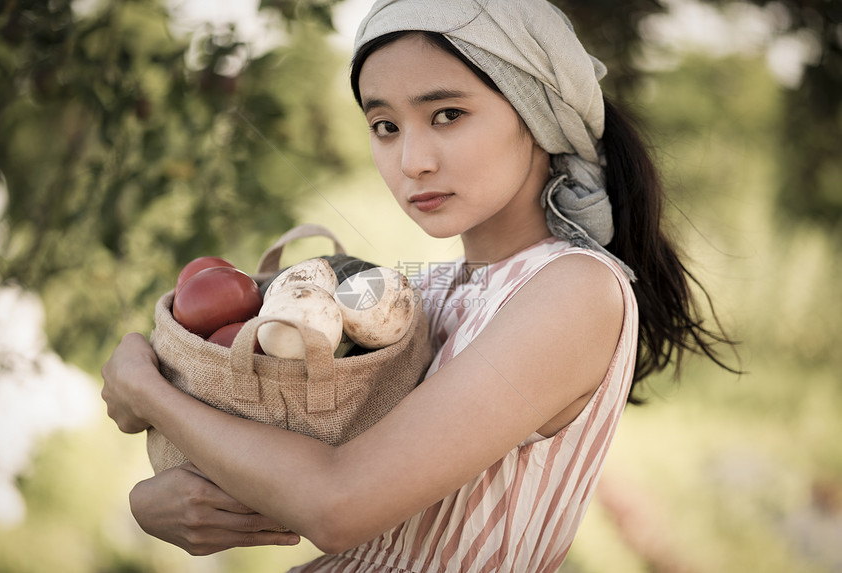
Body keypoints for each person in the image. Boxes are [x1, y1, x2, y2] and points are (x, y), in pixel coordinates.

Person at [101, 0, 737, 570]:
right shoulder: (431, 296)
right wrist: (158, 499)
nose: (412, 161)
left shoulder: (573, 288)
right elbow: (299, 459)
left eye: (448, 114)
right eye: (386, 126)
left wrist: (150, 392)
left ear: (538, 114)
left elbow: (336, 504)